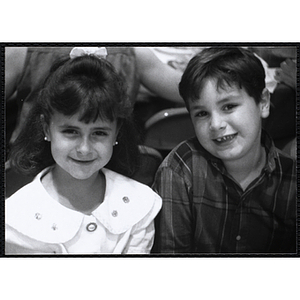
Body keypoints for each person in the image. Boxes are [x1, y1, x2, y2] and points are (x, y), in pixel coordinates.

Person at [5, 47, 162, 255]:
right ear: (46, 129)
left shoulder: (140, 203)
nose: (84, 149)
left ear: (116, 133)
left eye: (99, 133)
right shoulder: (16, 217)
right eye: (71, 131)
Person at [152, 47, 296, 254]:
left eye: (228, 106)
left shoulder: (290, 179)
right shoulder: (180, 169)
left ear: (263, 102)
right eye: (202, 113)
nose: (216, 124)